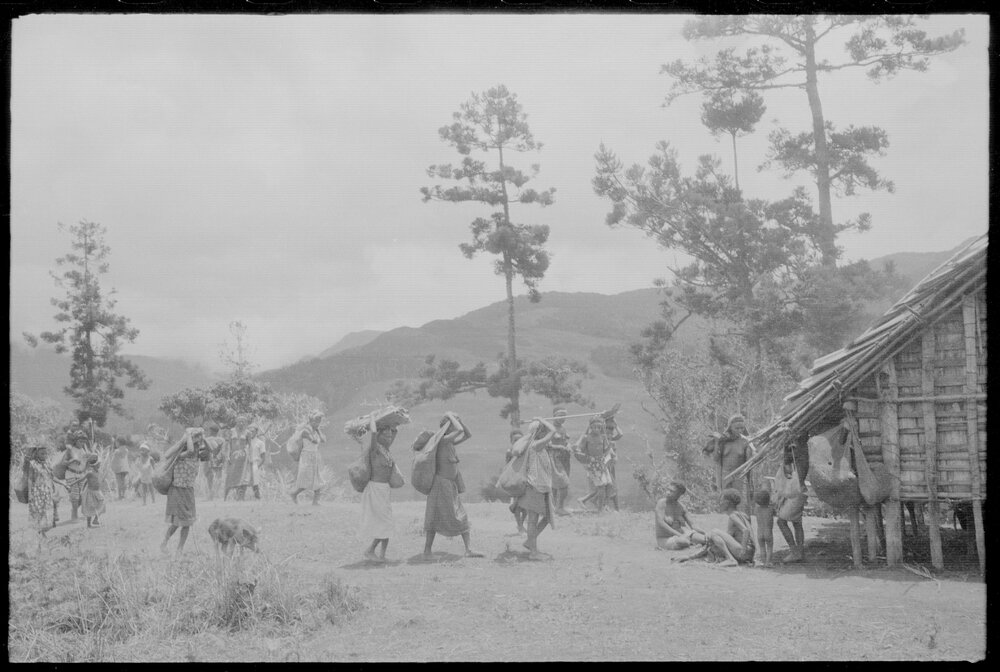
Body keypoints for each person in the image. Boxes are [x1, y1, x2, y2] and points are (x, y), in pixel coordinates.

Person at [423, 412, 484, 559]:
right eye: (452, 425)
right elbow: (460, 431)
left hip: (450, 485)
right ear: (447, 427)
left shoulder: (449, 442)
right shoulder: (442, 440)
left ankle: (468, 549)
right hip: (440, 485)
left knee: (461, 515)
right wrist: (451, 416)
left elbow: (467, 434)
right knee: (435, 517)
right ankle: (427, 551)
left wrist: (459, 420)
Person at [674, 489, 755, 567]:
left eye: (721, 501)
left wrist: (743, 550)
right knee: (714, 541)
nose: (719, 503)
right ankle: (690, 557)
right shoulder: (743, 515)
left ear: (727, 503)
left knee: (713, 532)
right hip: (750, 554)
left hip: (743, 552)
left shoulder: (733, 516)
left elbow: (746, 530)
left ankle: (730, 559)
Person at [514, 418, 558, 559]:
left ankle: (529, 542)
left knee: (548, 518)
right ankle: (533, 552)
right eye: (542, 431)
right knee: (533, 519)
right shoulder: (536, 445)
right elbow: (553, 431)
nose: (545, 433)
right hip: (535, 487)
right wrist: (541, 419)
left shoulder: (539, 446)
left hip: (542, 488)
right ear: (538, 432)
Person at [359, 415, 399, 563]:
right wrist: (372, 420)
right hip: (375, 489)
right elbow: (373, 434)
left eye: (390, 434)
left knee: (387, 522)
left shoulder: (386, 449)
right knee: (385, 522)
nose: (389, 436)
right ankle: (370, 550)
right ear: (380, 435)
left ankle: (382, 555)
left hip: (384, 489)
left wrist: (395, 423)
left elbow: (395, 433)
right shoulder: (375, 450)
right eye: (386, 433)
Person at [161, 429, 203, 555]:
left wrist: (194, 435)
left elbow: (205, 446)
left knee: (187, 523)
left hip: (188, 491)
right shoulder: (180, 455)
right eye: (195, 443)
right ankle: (164, 542)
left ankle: (179, 549)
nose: (196, 446)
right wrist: (188, 435)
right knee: (176, 523)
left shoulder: (197, 455)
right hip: (177, 491)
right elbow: (187, 451)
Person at [703, 414, 754, 513]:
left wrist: (750, 482)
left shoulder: (745, 441)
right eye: (737, 428)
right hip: (725, 476)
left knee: (742, 504)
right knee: (726, 503)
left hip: (740, 476)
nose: (739, 430)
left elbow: (749, 464)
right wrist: (717, 442)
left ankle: (744, 524)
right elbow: (716, 458)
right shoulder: (723, 441)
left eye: (742, 428)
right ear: (730, 427)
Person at [775, 441, 808, 563]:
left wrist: (786, 452)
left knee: (781, 521)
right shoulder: (804, 452)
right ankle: (800, 551)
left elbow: (787, 470)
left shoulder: (793, 455)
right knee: (796, 522)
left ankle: (794, 551)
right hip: (801, 491)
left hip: (794, 493)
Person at [574, 417, 613, 512]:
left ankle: (584, 500)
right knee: (601, 487)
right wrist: (587, 458)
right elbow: (579, 450)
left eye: (599, 427)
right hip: (592, 465)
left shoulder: (603, 437)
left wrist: (609, 446)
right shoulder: (587, 438)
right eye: (594, 427)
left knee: (609, 484)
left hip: (601, 464)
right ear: (590, 427)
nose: (596, 429)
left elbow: (605, 450)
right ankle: (600, 509)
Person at [289, 411, 328, 505]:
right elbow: (314, 441)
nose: (317, 424)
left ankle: (315, 502)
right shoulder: (305, 431)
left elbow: (323, 440)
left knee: (317, 478)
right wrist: (316, 431)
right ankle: (294, 494)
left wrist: (318, 430)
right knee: (306, 479)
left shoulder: (316, 430)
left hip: (314, 456)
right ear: (310, 421)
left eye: (319, 422)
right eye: (315, 421)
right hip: (306, 457)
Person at [654, 481, 705, 550]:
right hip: (665, 538)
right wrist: (679, 535)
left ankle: (697, 544)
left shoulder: (681, 507)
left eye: (672, 491)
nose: (668, 493)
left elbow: (693, 525)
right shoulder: (661, 503)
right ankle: (693, 545)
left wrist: (705, 533)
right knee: (683, 541)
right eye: (668, 490)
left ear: (679, 494)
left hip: (683, 534)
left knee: (704, 539)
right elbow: (661, 523)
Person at [24, 445, 56, 538]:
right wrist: (30, 493)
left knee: (47, 511)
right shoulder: (32, 464)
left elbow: (51, 477)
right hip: (37, 491)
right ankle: (40, 532)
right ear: (37, 454)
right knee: (38, 511)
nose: (44, 455)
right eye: (42, 453)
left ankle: (42, 530)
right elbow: (30, 479)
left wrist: (54, 487)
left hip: (46, 491)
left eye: (46, 453)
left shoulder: (47, 464)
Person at [547, 408, 573, 515]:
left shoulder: (563, 428)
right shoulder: (549, 428)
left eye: (564, 416)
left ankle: (555, 507)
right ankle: (558, 508)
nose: (563, 418)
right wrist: (560, 447)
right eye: (560, 415)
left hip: (564, 458)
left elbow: (566, 441)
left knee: (557, 484)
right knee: (563, 483)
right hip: (554, 458)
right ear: (554, 415)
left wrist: (569, 446)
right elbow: (547, 445)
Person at [223, 415, 253, 501]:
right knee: (230, 476)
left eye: (243, 422)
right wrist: (227, 455)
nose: (241, 423)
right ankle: (225, 497)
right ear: (236, 422)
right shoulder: (231, 431)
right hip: (233, 456)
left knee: (242, 477)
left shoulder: (248, 433)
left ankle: (240, 497)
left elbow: (250, 446)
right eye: (239, 421)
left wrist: (250, 457)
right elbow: (228, 444)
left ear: (245, 423)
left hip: (243, 457)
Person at [506, 429, 527, 533]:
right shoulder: (510, 452)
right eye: (515, 440)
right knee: (517, 505)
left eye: (520, 440)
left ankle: (521, 524)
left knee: (527, 504)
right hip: (515, 480)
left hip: (525, 479)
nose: (518, 442)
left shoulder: (525, 450)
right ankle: (519, 525)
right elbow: (507, 466)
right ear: (511, 441)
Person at [604, 414, 624, 511]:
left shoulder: (612, 440)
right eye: (608, 429)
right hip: (605, 464)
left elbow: (620, 434)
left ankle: (616, 508)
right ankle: (607, 505)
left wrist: (615, 424)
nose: (610, 434)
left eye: (611, 431)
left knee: (612, 484)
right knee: (609, 484)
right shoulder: (604, 439)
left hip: (611, 465)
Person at [81, 455, 106, 528]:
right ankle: (88, 524)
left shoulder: (98, 472)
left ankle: (96, 519)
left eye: (100, 464)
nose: (100, 465)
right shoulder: (90, 473)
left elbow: (98, 480)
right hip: (90, 492)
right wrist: (82, 490)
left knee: (102, 503)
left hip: (97, 491)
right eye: (98, 464)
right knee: (90, 507)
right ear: (95, 465)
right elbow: (85, 481)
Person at [203, 424, 226, 500]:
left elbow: (204, 451)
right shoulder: (222, 440)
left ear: (211, 431)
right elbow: (223, 452)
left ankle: (211, 493)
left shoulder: (206, 439)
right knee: (218, 477)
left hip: (209, 460)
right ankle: (216, 493)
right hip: (218, 460)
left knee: (209, 477)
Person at [754, 489, 775, 567]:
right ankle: (768, 562)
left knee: (762, 547)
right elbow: (775, 512)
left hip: (759, 532)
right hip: (768, 532)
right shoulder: (770, 509)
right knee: (769, 547)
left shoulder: (756, 509)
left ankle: (763, 561)